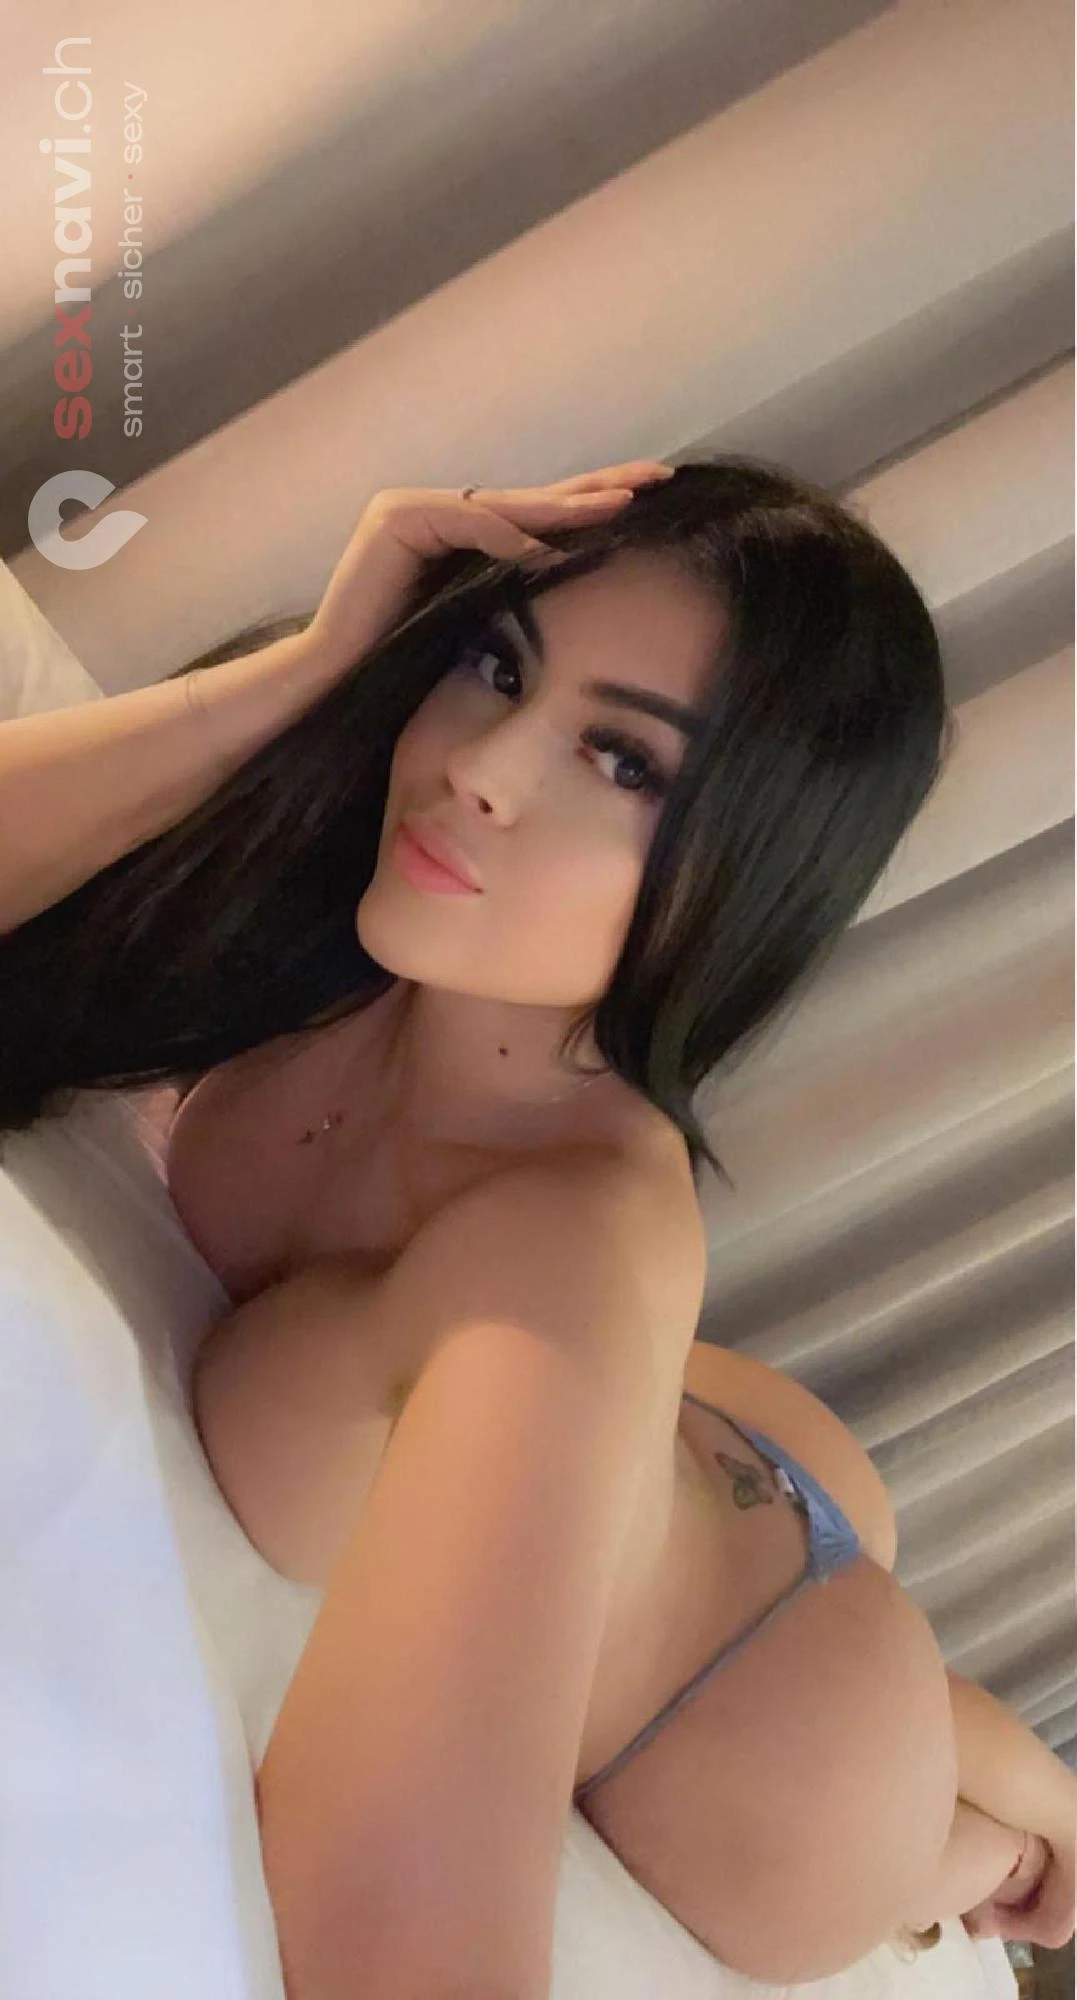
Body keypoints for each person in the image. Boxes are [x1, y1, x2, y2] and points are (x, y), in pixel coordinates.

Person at [0, 460, 1071, 1992]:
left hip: (756, 1730)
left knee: (927, 1859)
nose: (483, 767)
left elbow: (400, 1924)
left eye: (623, 762)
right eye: (500, 667)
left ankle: (1015, 1824)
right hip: (712, 1442)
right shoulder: (364, 924)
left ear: (742, 881)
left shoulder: (565, 1252)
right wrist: (305, 675)